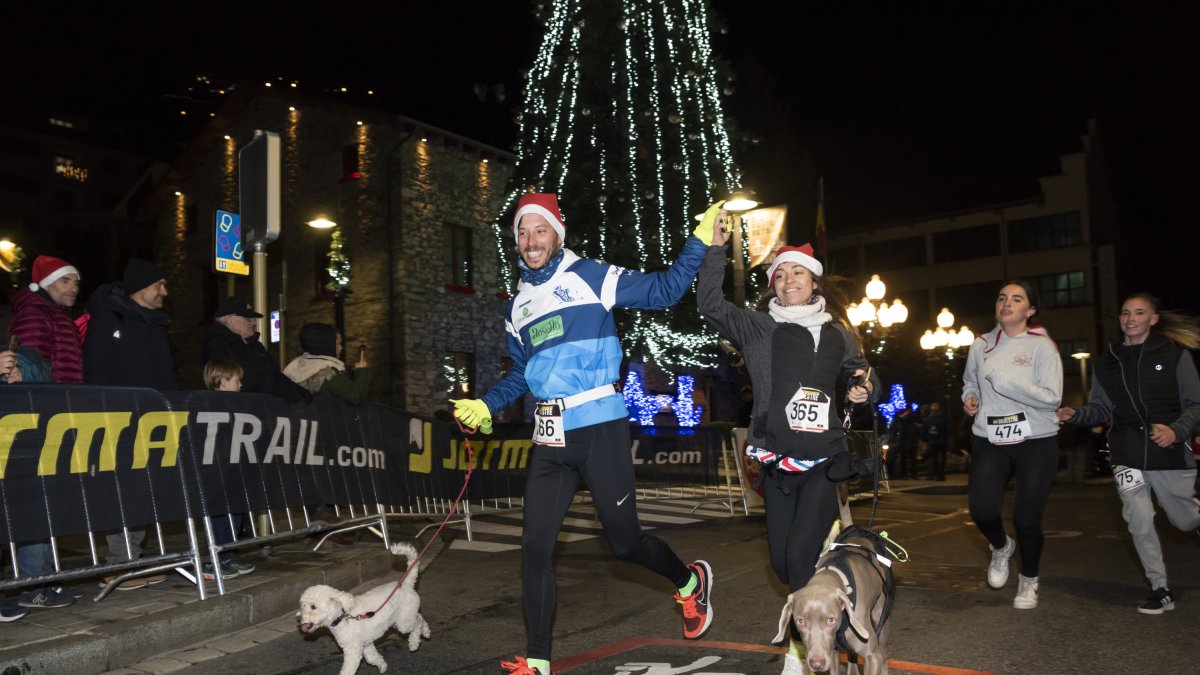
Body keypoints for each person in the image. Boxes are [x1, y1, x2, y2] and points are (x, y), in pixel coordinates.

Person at [450, 193, 719, 675]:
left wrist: (698, 242)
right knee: (535, 549)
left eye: (540, 230)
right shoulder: (516, 306)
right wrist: (486, 403)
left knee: (625, 544)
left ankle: (688, 582)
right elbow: (522, 372)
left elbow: (664, 291)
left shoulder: (589, 275)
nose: (531, 241)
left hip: (599, 427)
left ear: (558, 235)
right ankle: (538, 661)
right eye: (522, 232)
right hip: (549, 438)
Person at [698, 235, 879, 674]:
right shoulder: (757, 327)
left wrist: (864, 387)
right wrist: (715, 250)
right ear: (773, 285)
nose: (788, 280)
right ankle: (822, 565)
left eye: (797, 272)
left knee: (798, 557)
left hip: (824, 462)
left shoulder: (837, 333)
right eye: (779, 274)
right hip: (777, 465)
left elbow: (864, 373)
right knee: (782, 565)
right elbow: (709, 304)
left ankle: (805, 652)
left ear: (814, 282)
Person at [1056, 293, 1200, 614]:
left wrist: (1175, 431)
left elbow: (1195, 405)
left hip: (1169, 452)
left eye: (1139, 313)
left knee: (1184, 521)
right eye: (1125, 313)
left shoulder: (1175, 356)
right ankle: (1160, 588)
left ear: (1153, 319)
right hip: (1126, 452)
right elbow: (1101, 408)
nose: (1130, 318)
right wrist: (1074, 414)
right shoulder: (1108, 362)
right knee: (1139, 519)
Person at [961, 280, 1062, 610]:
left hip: (1036, 440)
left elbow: (1052, 398)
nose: (1006, 303)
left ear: (1030, 310)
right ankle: (1001, 546)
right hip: (990, 437)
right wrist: (970, 397)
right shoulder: (980, 344)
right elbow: (970, 382)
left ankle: (1029, 580)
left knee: (1026, 518)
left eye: (1017, 299)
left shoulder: (1042, 346)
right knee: (981, 509)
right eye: (1002, 298)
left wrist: (1007, 383)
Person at [82, 257, 176, 589]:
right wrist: (105, 411)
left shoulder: (156, 324)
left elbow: (165, 373)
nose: (164, 291)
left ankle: (134, 557)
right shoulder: (109, 319)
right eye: (159, 285)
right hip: (118, 419)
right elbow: (95, 366)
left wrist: (172, 409)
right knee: (120, 489)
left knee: (143, 489)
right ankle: (118, 563)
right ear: (141, 287)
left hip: (152, 420)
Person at [200, 359, 257, 580]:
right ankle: (212, 559)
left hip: (233, 470)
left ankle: (228, 554)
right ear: (223, 382)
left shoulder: (238, 406)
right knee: (219, 517)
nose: (241, 385)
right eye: (236, 380)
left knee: (235, 514)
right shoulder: (208, 405)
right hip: (216, 472)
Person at [202, 296, 310, 405]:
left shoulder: (256, 347)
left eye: (253, 319)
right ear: (231, 320)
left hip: (262, 407)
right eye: (248, 319)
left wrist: (301, 395)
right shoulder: (216, 346)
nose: (254, 323)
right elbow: (225, 382)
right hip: (241, 408)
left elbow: (275, 377)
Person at [8, 255, 83, 383]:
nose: (74, 289)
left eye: (75, 283)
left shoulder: (62, 317)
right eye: (65, 282)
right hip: (47, 394)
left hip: (64, 393)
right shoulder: (34, 313)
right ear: (46, 284)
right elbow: (29, 362)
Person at [283, 323, 372, 405]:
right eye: (338, 344)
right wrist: (362, 371)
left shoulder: (297, 366)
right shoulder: (329, 375)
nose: (341, 348)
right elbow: (357, 397)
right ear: (326, 345)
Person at [923, 401, 950, 481]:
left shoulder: (927, 419)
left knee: (932, 459)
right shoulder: (944, 419)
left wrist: (928, 438)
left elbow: (923, 431)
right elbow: (949, 429)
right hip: (942, 441)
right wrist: (945, 436)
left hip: (932, 442)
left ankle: (932, 475)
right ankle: (940, 475)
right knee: (942, 459)